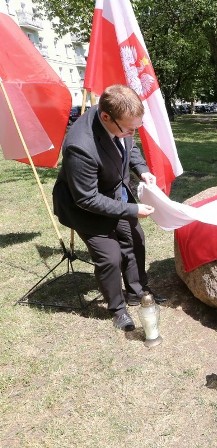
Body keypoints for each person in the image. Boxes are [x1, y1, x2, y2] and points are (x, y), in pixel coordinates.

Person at [53, 84, 165, 332]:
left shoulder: (119, 119)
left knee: (135, 239)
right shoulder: (79, 147)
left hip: (115, 192)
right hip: (85, 207)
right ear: (106, 117)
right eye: (129, 129)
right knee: (110, 257)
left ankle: (137, 291)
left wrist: (143, 170)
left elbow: (129, 146)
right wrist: (133, 210)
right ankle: (118, 309)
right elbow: (87, 198)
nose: (132, 132)